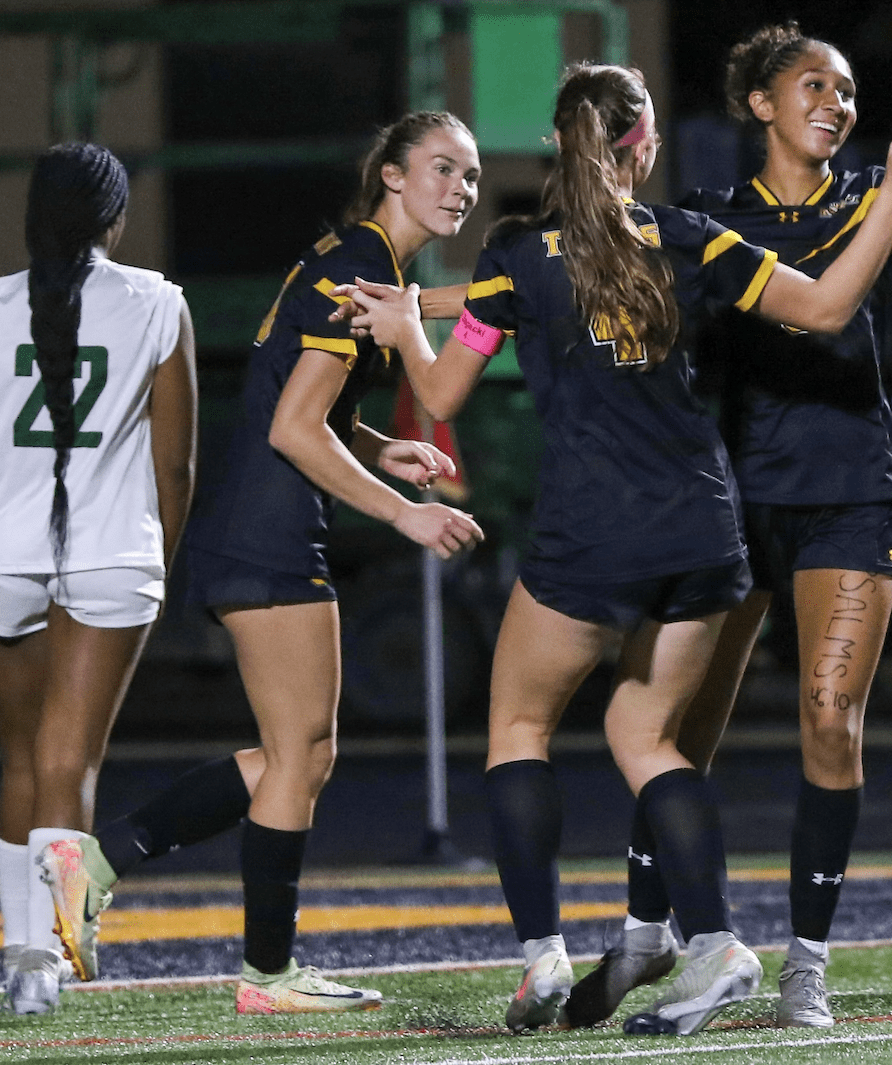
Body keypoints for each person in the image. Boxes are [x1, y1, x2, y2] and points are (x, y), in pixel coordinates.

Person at [337, 60, 892, 1036]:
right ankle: (713, 945)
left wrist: (408, 325)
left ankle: (542, 955)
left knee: (518, 728)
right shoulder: (687, 234)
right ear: (645, 146)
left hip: (591, 533)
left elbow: (443, 396)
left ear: (559, 142)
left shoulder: (517, 254)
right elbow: (831, 306)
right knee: (648, 739)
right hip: (704, 531)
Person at [566, 23, 892, 1031]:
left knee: (831, 720)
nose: (837, 102)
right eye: (814, 86)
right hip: (732, 500)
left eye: (847, 89)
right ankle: (647, 932)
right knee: (677, 730)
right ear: (760, 104)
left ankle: (807, 966)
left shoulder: (871, 197)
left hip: (850, 493)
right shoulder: (711, 218)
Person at [33, 111, 485, 1016]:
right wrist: (404, 512)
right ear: (393, 176)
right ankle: (254, 965)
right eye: (443, 168)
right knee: (300, 753)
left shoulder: (360, 261)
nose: (461, 189)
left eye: (470, 175)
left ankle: (111, 864)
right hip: (267, 529)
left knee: (300, 754)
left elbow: (301, 401)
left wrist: (380, 446)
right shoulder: (358, 267)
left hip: (262, 523)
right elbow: (291, 428)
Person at [0, 143, 198, 1014]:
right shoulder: (157, 301)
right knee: (67, 759)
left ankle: (22, 947)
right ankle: (44, 960)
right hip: (113, 553)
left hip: (6, 553)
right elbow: (175, 465)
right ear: (114, 219)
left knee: (19, 757)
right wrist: (162, 561)